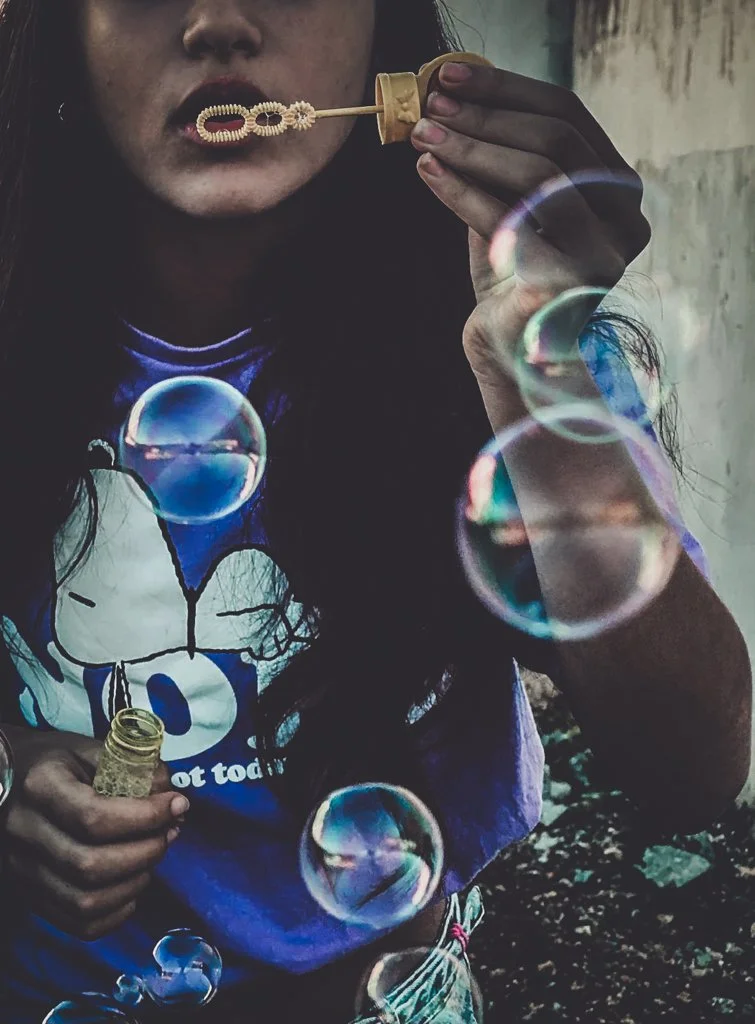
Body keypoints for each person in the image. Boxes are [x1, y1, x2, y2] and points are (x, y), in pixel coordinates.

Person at [0, 1, 750, 1021]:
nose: (216, 21)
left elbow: (694, 767)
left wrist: (538, 376)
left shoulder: (502, 327)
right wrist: (11, 764)